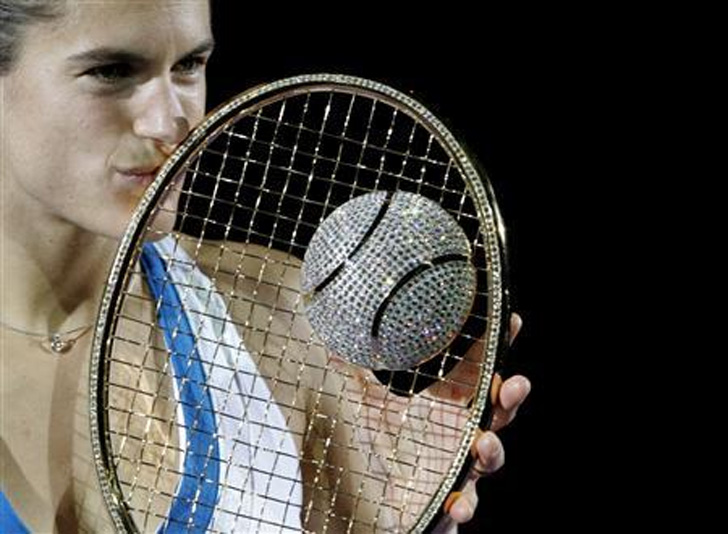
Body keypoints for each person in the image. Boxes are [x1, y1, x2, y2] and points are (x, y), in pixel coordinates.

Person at [0, 1, 532, 532]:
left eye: (188, 66)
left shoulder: (275, 314)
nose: (172, 120)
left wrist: (403, 521)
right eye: (111, 72)